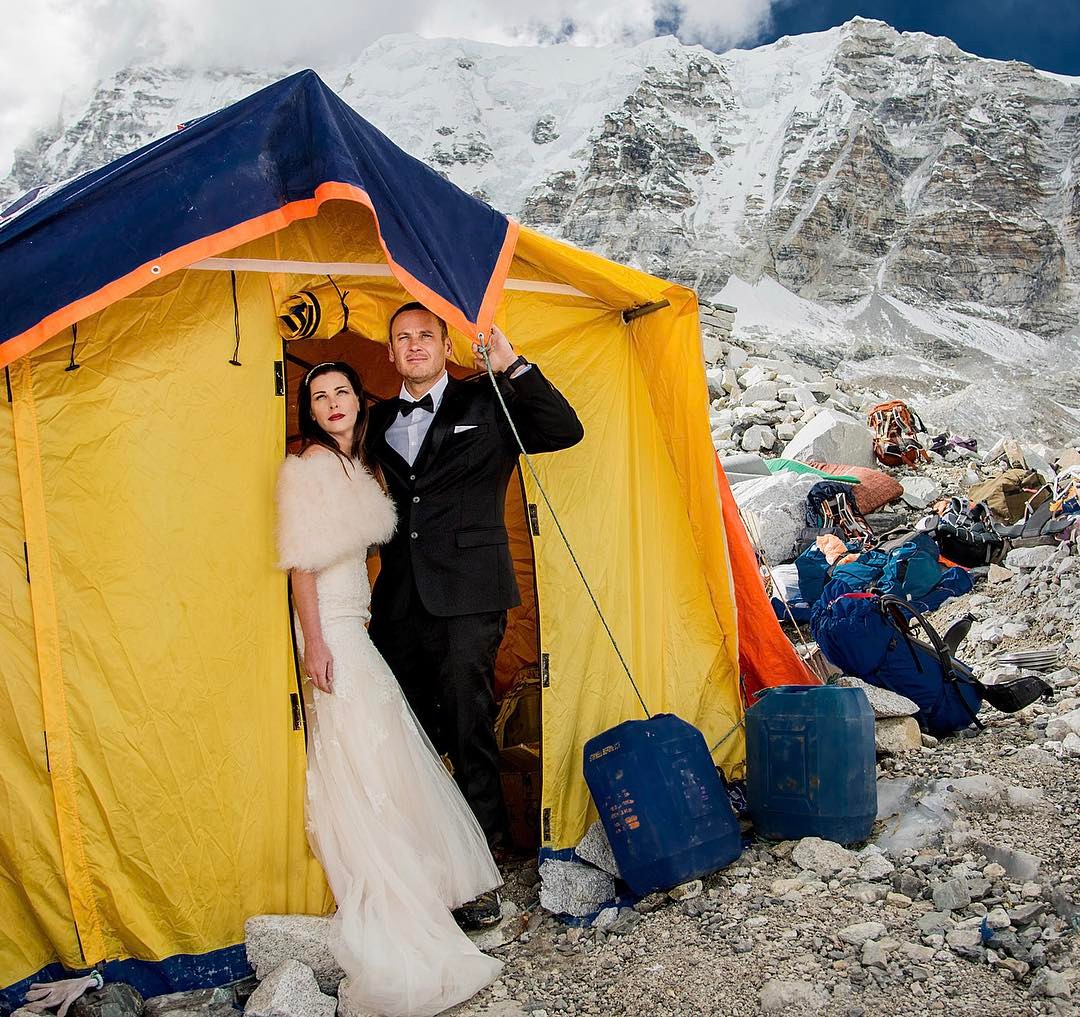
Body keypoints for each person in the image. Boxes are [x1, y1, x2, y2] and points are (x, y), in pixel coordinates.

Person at [276, 361, 503, 1017]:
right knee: (366, 742)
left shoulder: (357, 464)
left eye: (341, 392)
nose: (332, 403)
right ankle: (395, 884)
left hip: (356, 618)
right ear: (310, 412)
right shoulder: (311, 466)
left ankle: (422, 878)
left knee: (387, 742)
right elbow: (300, 566)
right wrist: (316, 642)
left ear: (359, 400)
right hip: (330, 627)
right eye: (319, 397)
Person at [366, 303, 584, 917]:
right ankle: (425, 851)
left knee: (468, 716)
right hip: (399, 598)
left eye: (425, 336)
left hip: (471, 593)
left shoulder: (488, 399)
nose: (414, 345)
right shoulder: (377, 418)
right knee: (406, 725)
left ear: (446, 347)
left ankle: (484, 853)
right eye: (402, 338)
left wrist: (511, 365)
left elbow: (563, 430)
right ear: (390, 352)